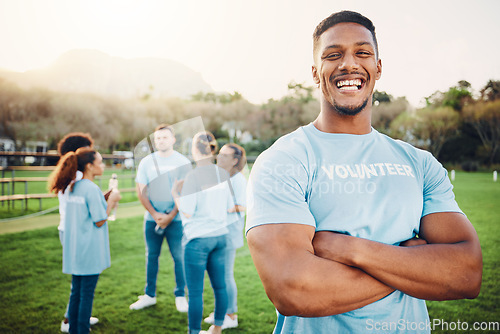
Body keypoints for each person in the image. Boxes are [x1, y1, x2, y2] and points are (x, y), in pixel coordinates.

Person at [245, 10, 482, 334]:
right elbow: (293, 289)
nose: (348, 64)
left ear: (378, 67)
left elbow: (467, 274)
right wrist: (415, 266)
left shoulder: (419, 163)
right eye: (333, 55)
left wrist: (352, 250)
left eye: (362, 52)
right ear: (316, 73)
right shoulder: (284, 160)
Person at [49, 147, 121, 334]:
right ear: (89, 166)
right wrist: (112, 201)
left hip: (76, 249)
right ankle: (81, 330)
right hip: (89, 251)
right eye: (99, 162)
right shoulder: (90, 188)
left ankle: (74, 329)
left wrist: (104, 197)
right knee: (86, 294)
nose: (103, 166)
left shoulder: (74, 187)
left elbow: (86, 211)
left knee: (76, 293)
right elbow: (99, 220)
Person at [172, 131, 233, 334]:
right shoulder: (222, 173)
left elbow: (187, 211)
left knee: (196, 293)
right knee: (220, 287)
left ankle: (194, 331)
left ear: (194, 150)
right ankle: (216, 329)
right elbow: (227, 206)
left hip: (198, 240)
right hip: (221, 237)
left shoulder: (194, 176)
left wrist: (175, 194)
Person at [130, 124, 192, 312]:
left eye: (164, 137)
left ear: (173, 140)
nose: (160, 141)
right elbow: (141, 191)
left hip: (177, 221)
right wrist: (155, 214)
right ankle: (149, 295)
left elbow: (185, 192)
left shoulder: (183, 162)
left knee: (179, 257)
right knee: (152, 257)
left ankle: (180, 295)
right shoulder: (146, 162)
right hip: (152, 219)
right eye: (157, 138)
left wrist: (171, 215)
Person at [55, 133, 100, 333]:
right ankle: (72, 321)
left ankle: (75, 319)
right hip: (77, 232)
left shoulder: (67, 173)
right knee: (83, 283)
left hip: (67, 230)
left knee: (78, 282)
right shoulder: (79, 178)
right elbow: (92, 214)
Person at [204, 144, 247, 329]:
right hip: (217, 231)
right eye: (219, 154)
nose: (219, 158)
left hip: (229, 233)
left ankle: (230, 315)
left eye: (224, 155)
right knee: (217, 275)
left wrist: (224, 207)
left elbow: (243, 205)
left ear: (235, 160)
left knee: (225, 275)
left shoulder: (238, 180)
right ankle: (221, 312)